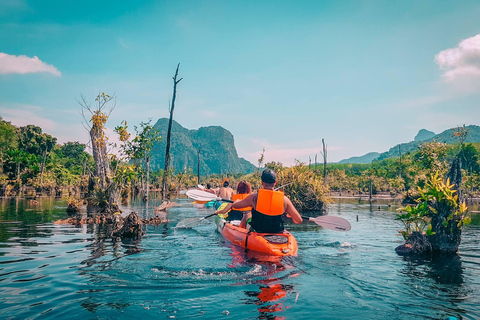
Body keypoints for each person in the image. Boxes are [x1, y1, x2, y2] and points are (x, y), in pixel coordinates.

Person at [223, 169, 303, 233]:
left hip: (258, 232)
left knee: (246, 216)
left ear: (262, 183)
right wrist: (289, 215)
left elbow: (236, 205)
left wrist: (236, 200)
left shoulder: (254, 198)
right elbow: (299, 220)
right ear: (275, 183)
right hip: (278, 232)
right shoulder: (284, 199)